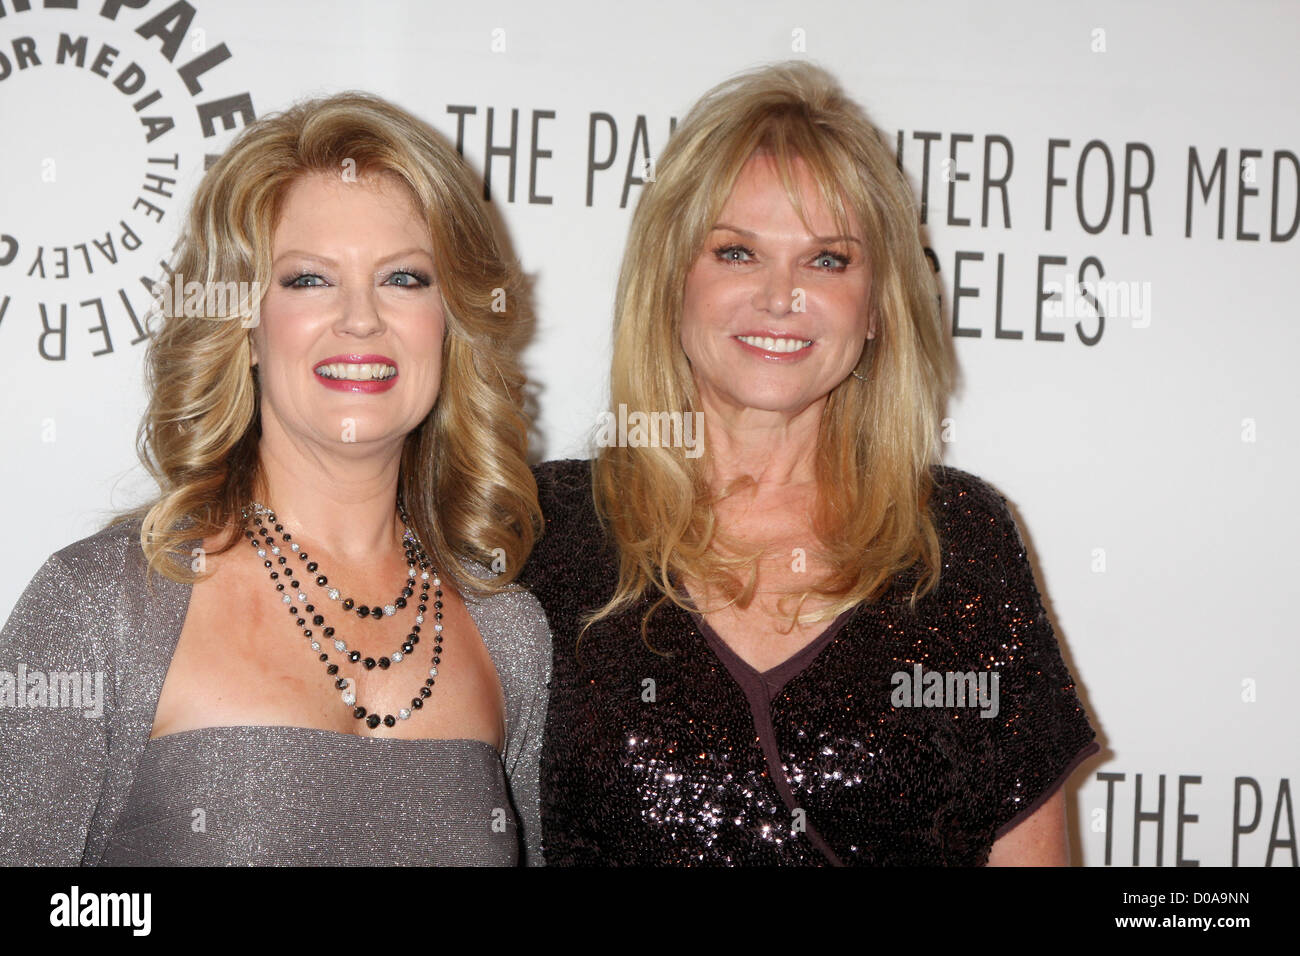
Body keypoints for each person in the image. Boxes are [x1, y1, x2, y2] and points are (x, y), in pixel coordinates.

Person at [522, 61, 1100, 866]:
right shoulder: (547, 534)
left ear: (877, 308)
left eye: (828, 259)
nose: (782, 296)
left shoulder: (960, 540)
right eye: (736, 252)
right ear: (669, 282)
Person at [0, 92, 549, 866]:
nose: (361, 319)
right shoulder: (105, 607)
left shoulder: (510, 635)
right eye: (307, 281)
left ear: (452, 321)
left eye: (404, 278)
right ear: (244, 326)